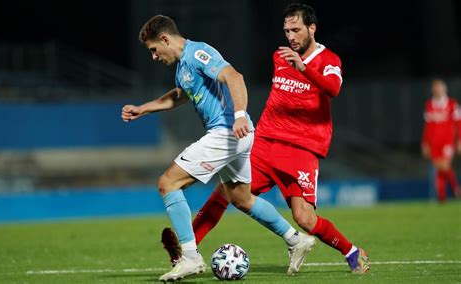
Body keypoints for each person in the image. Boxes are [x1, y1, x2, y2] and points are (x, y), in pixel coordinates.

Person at [162, 3, 370, 275]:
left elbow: (333, 88)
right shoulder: (280, 56)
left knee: (304, 219)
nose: (291, 36)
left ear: (312, 28)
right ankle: (186, 253)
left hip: (301, 149)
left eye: (296, 30)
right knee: (224, 194)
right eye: (287, 31)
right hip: (264, 142)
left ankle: (351, 251)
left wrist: (304, 68)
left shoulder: (328, 60)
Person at [122, 15, 315, 281]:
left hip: (228, 132)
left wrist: (237, 115)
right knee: (242, 199)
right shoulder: (183, 67)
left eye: (154, 49)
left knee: (168, 183)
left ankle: (190, 258)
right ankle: (295, 239)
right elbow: (181, 94)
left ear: (165, 39)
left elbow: (234, 76)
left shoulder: (198, 52)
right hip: (237, 134)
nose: (154, 56)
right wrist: (144, 108)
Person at [421, 78, 461, 202]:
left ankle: (456, 188)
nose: (437, 90)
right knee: (440, 169)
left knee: (444, 165)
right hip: (434, 143)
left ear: (444, 89)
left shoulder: (452, 104)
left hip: (447, 141)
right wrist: (425, 143)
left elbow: (459, 124)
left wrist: (459, 140)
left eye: (439, 87)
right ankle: (442, 197)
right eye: (435, 88)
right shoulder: (429, 105)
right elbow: (427, 126)